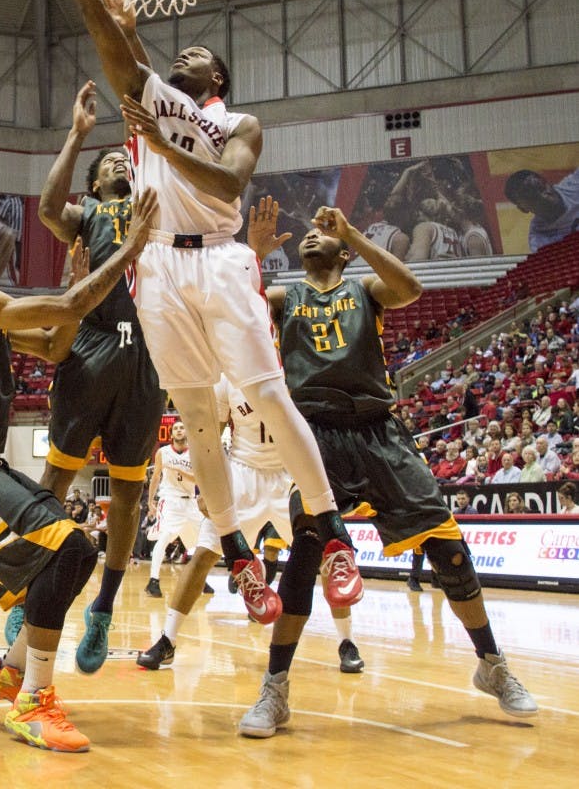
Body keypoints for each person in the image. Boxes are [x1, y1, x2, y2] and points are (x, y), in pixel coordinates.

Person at [34, 0, 362, 624]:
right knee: (195, 421)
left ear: (216, 77)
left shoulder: (238, 122)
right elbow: (104, 37)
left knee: (268, 394)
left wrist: (161, 143)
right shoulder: (152, 105)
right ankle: (238, 558)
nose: (185, 54)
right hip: (159, 267)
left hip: (217, 255)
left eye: (198, 52)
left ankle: (333, 531)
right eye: (172, 51)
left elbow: (222, 186)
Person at [237, 201, 537, 735]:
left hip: (379, 430)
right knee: (305, 558)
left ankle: (492, 666)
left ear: (344, 251)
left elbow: (411, 288)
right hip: (316, 437)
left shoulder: (364, 291)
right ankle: (275, 689)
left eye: (321, 234)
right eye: (304, 236)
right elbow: (237, 310)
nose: (309, 238)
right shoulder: (286, 297)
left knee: (450, 551)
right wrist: (253, 256)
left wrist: (351, 229)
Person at [0, 186, 157, 753]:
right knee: (64, 550)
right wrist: (129, 250)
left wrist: (79, 283)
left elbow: (54, 344)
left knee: (78, 551)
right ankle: (33, 702)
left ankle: (12, 669)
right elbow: (70, 310)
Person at [6, 80, 166, 675]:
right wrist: (77, 136)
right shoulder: (89, 214)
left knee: (127, 493)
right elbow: (48, 208)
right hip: (93, 346)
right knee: (55, 478)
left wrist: (153, 134)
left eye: (123, 157)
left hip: (148, 355)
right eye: (109, 163)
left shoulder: (156, 201)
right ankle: (31, 589)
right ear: (96, 183)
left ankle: (103, 606)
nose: (120, 162)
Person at [137, 374, 363, 675]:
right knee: (204, 553)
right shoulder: (225, 376)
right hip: (242, 473)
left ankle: (347, 641)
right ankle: (167, 639)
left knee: (326, 557)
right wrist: (205, 487)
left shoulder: (295, 365)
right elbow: (210, 439)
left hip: (290, 470)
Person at [143, 419, 204, 598]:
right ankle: (153, 581)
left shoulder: (194, 453)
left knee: (203, 540)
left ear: (186, 432)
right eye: (175, 428)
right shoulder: (163, 452)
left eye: (182, 427)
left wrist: (179, 471)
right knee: (165, 537)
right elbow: (155, 477)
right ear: (171, 434)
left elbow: (198, 480)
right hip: (170, 500)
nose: (179, 430)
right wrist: (150, 501)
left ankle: (201, 578)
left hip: (191, 501)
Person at [504, 167, 579, 251]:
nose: (544, 197)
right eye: (533, 198)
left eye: (542, 187)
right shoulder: (540, 240)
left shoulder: (575, 184)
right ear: (523, 209)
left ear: (547, 181)